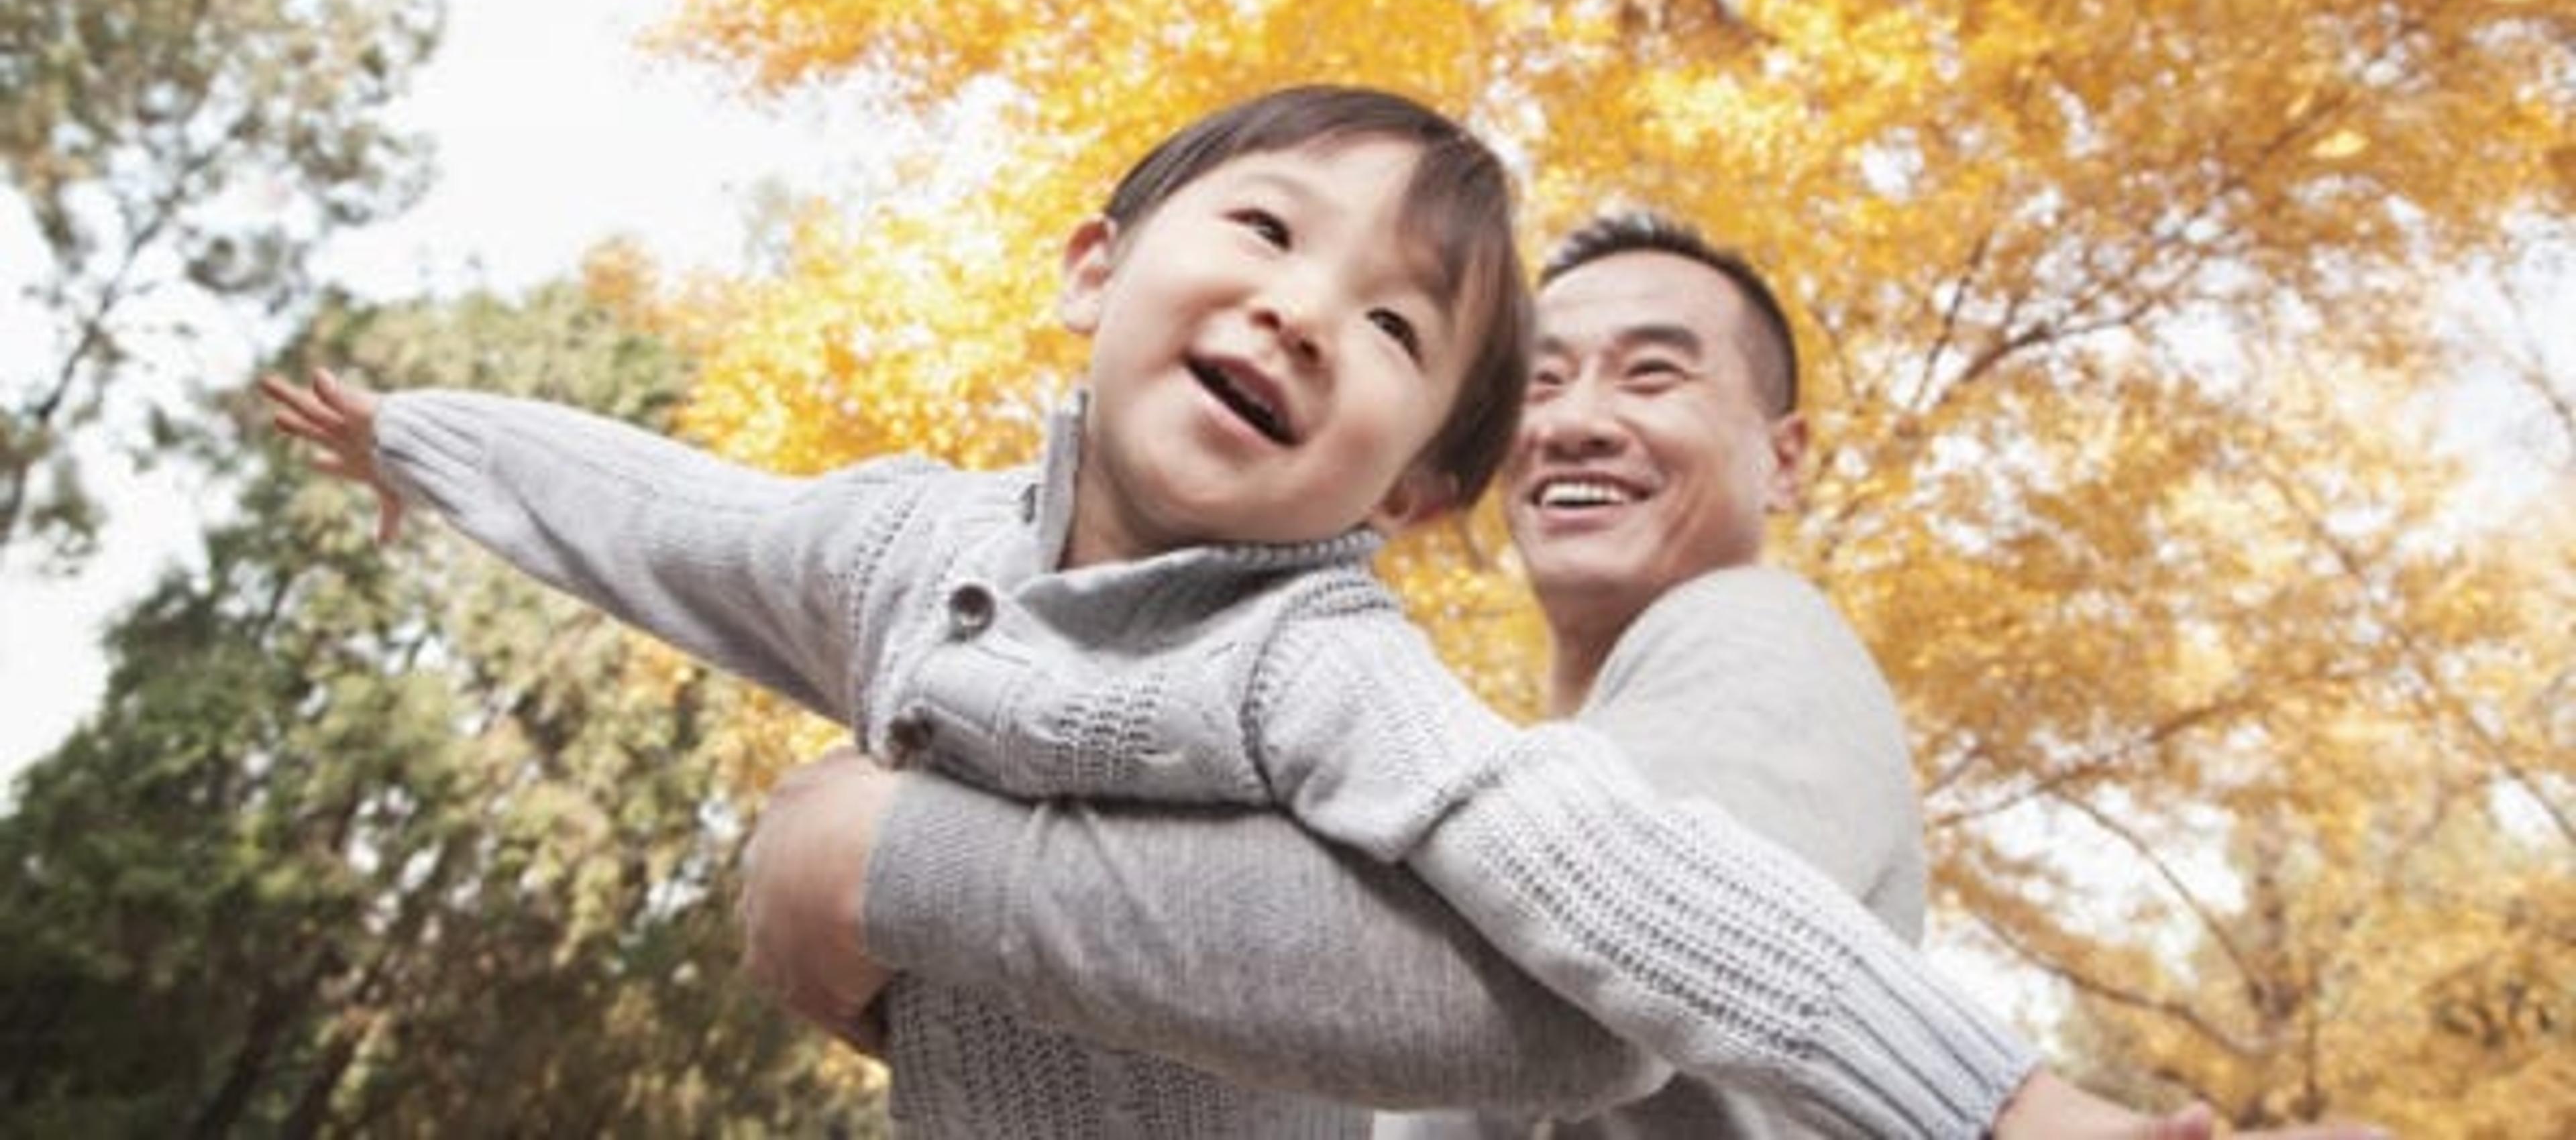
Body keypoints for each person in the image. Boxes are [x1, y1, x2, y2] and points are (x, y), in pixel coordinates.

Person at [264, 86, 2343, 1139]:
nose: (1295, 307)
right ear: (1097, 265)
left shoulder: (1348, 667)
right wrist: (428, 443)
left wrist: (2002, 1104)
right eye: (1262, 229)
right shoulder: (910, 548)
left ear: (1405, 483)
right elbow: (692, 522)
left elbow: (1614, 922)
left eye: (1394, 326)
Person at [739, 212, 2374, 1139]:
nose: (1577, 419)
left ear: (1784, 458)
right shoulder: (1511, 756)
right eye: (1542, 383)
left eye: (1653, 376)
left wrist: (896, 863)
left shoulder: (1752, 635)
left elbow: (1571, 994)